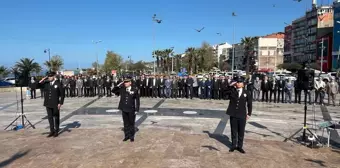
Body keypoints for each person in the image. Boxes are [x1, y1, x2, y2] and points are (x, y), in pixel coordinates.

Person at [226, 77, 252, 154]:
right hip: (233, 114)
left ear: (243, 84)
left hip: (242, 114)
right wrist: (231, 85)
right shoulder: (232, 91)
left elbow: (249, 104)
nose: (238, 83)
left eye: (240, 82)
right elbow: (224, 92)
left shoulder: (247, 92)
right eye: (237, 82)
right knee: (233, 131)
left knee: (241, 131)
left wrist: (249, 114)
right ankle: (233, 145)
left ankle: (240, 146)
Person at [111, 77, 140, 142]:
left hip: (131, 109)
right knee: (125, 123)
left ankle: (131, 137)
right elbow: (113, 91)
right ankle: (126, 136)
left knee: (131, 123)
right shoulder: (122, 89)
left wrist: (137, 109)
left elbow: (137, 100)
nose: (125, 83)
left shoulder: (134, 89)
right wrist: (119, 85)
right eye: (124, 82)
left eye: (127, 82)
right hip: (124, 108)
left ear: (130, 83)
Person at [39, 72, 65, 137]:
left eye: (51, 76)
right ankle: (52, 131)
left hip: (55, 103)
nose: (50, 78)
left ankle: (56, 131)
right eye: (49, 76)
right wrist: (43, 79)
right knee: (50, 117)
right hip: (48, 103)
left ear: (54, 76)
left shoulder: (58, 83)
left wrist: (60, 103)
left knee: (56, 117)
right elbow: (37, 85)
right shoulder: (46, 83)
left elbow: (62, 94)